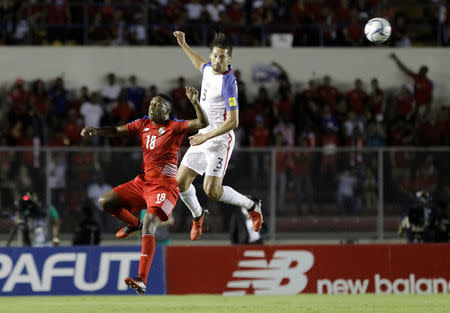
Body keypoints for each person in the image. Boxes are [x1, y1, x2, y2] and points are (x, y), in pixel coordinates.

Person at [80, 87, 208, 295]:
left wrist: (195, 102)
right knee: (105, 201)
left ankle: (141, 279)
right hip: (143, 182)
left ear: (168, 112)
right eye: (152, 104)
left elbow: (202, 123)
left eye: (159, 105)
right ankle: (133, 223)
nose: (153, 106)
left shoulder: (175, 127)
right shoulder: (142, 124)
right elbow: (116, 131)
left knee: (150, 224)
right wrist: (96, 130)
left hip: (165, 187)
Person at [173, 30, 263, 241]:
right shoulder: (208, 69)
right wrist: (184, 44)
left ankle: (252, 205)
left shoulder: (229, 82)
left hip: (220, 139)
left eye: (222, 56)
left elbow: (233, 122)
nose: (217, 59)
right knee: (180, 182)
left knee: (211, 191)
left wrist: (205, 137)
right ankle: (198, 217)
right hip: (203, 135)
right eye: (214, 55)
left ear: (229, 58)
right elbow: (200, 63)